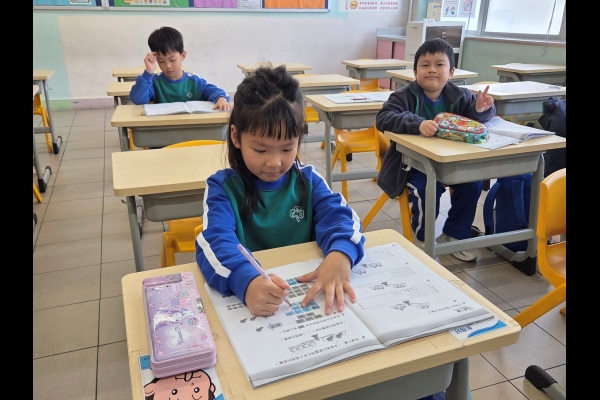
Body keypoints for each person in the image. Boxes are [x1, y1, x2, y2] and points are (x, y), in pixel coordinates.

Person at [195, 64, 365, 317]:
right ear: (236, 137)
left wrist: (341, 253)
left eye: (287, 149)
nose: (275, 162)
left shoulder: (308, 180)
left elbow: (341, 217)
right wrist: (246, 281)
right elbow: (214, 242)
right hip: (260, 299)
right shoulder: (222, 188)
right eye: (261, 150)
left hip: (304, 295)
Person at [375, 38, 495, 262]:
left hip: (451, 163)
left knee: (472, 183)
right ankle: (423, 238)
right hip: (412, 166)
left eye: (439, 64)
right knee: (427, 188)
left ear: (451, 72)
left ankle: (455, 235)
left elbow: (476, 117)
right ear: (415, 71)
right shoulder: (402, 96)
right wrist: (417, 124)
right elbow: (384, 118)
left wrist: (480, 109)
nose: (432, 69)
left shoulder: (461, 95)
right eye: (425, 65)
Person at [130, 26, 231, 111]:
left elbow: (216, 91)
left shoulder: (194, 81)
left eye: (172, 59)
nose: (168, 65)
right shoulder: (154, 82)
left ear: (183, 55)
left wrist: (221, 98)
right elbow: (138, 100)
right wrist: (148, 72)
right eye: (161, 61)